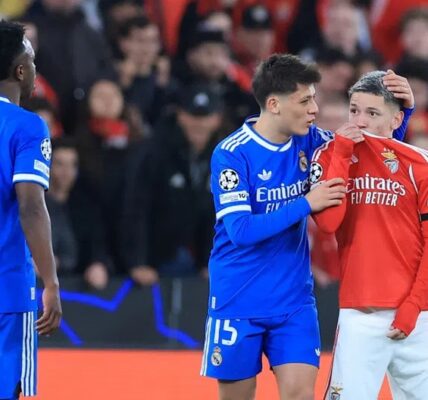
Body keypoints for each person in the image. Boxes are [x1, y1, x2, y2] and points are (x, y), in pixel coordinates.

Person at [200, 53, 413, 400]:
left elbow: (375, 153)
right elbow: (241, 231)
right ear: (274, 104)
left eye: (314, 98)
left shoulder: (311, 141)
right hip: (238, 299)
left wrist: (404, 111)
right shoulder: (232, 153)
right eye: (304, 101)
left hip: (294, 301)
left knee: (300, 395)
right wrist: (306, 203)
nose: (315, 108)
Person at [310, 71, 428, 399]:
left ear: (396, 120)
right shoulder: (329, 156)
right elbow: (328, 223)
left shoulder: (419, 164)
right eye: (354, 110)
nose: (360, 121)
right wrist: (342, 155)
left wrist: (414, 306)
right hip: (359, 314)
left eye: (372, 113)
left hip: (419, 316)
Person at [0, 21, 62, 399]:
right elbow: (31, 207)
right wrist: (50, 282)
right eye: (33, 61)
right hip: (7, 290)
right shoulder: (27, 127)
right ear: (20, 70)